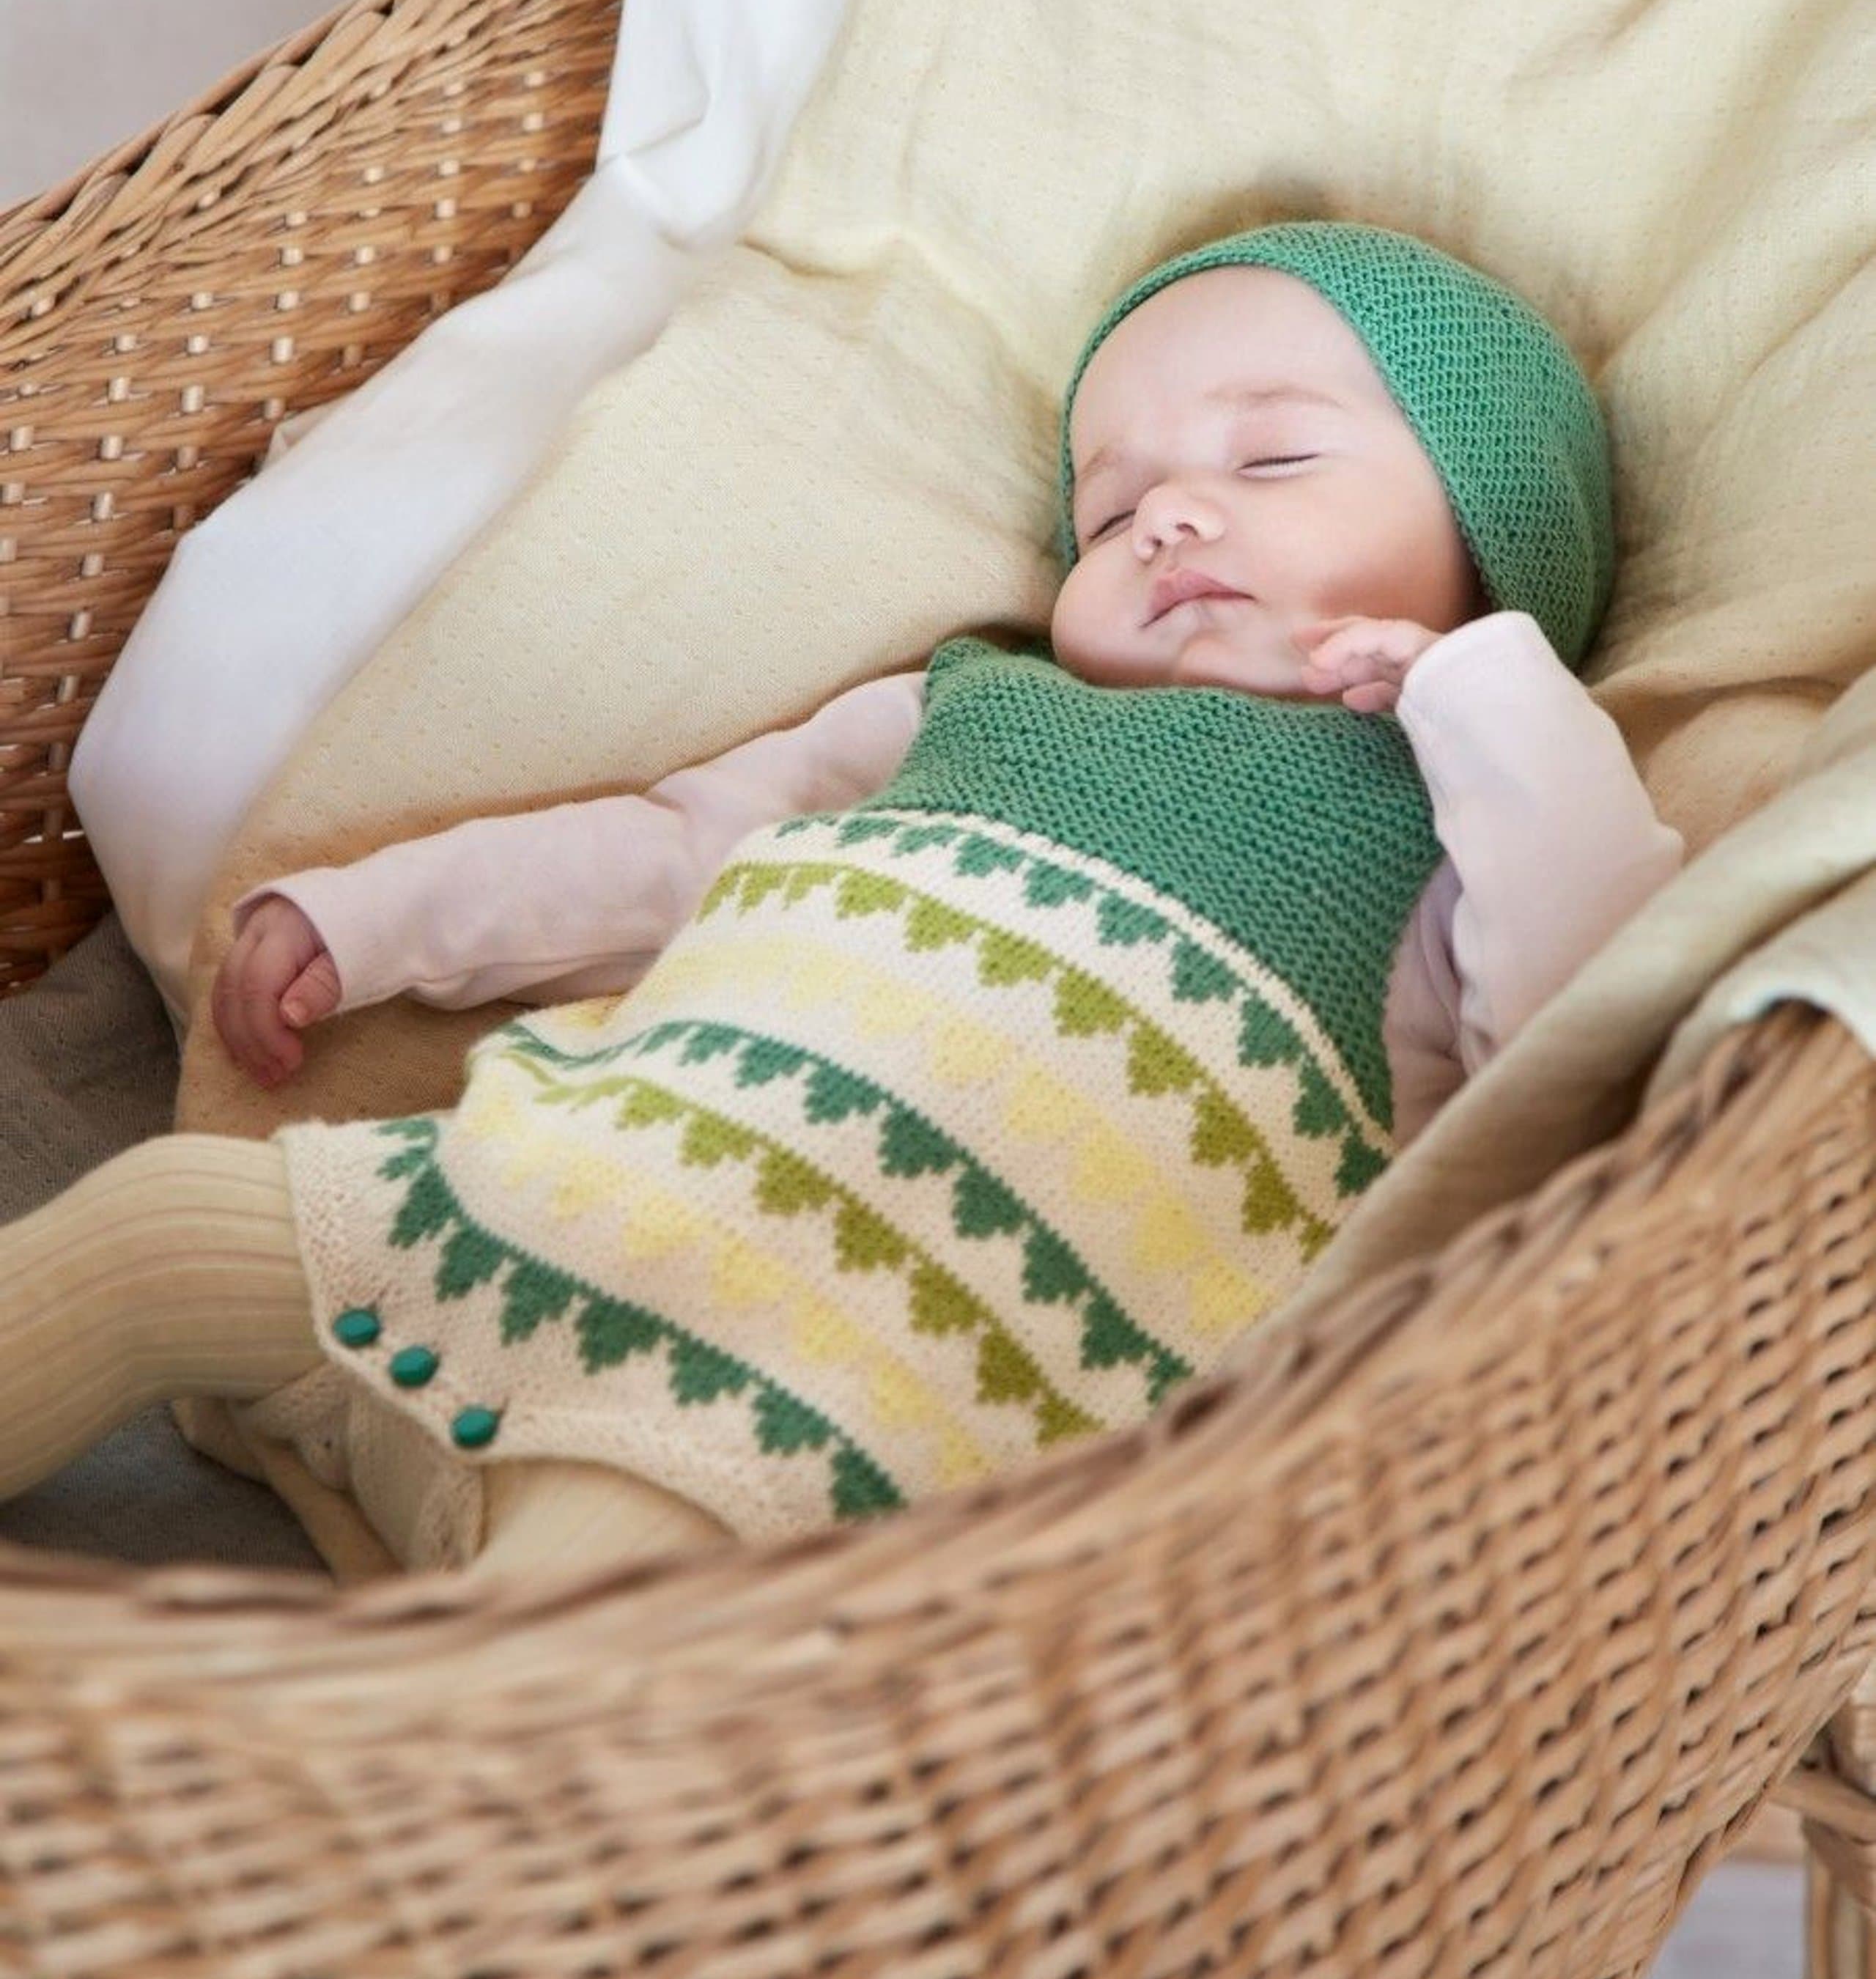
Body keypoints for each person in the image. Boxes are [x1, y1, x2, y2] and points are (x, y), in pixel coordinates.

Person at [0, 222, 1683, 1580]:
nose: (1167, 514)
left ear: (1498, 537)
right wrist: (369, 923)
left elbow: (1584, 1010)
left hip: (811, 1396)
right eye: (1108, 509)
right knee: (156, 1229)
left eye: (1276, 456)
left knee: (589, 1584)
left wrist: (1487, 696)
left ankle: (351, 1788)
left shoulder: (1449, 828)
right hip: (538, 1210)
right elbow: (670, 853)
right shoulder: (965, 704)